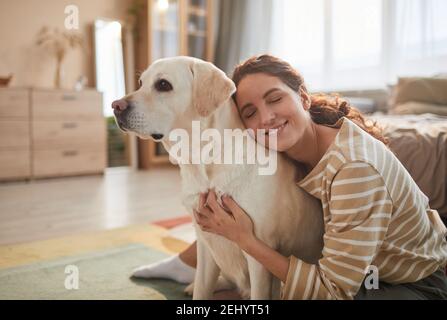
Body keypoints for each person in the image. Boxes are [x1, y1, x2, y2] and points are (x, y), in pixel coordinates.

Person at [132, 55, 447, 299]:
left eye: (275, 98)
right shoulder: (285, 148)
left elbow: (332, 292)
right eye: (250, 112)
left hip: (408, 284)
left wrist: (244, 238)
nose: (266, 118)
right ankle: (190, 265)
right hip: (357, 267)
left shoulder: (356, 171)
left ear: (304, 98)